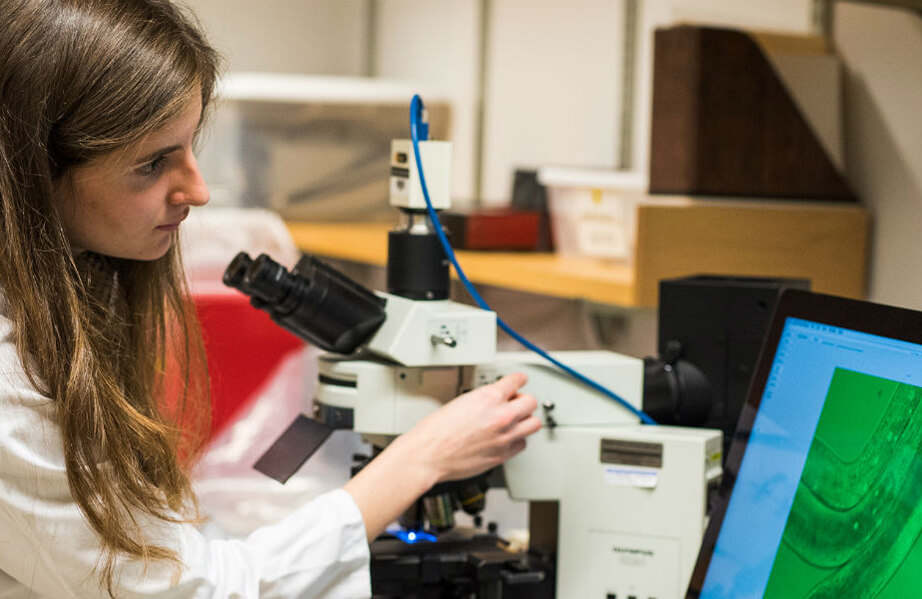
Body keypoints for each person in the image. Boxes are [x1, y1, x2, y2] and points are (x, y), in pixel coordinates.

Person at [0, 1, 542, 597]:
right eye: (153, 163)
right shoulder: (9, 388)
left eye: (189, 146)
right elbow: (189, 592)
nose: (198, 190)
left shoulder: (63, 296)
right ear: (33, 171)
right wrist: (422, 458)